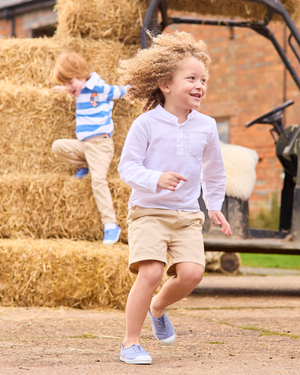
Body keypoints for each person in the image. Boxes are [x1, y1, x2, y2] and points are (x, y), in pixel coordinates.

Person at [117, 31, 232, 365]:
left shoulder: (207, 126)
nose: (200, 85)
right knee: (151, 272)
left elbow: (214, 168)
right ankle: (131, 342)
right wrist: (156, 179)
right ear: (165, 84)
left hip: (186, 214)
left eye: (203, 79)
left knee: (193, 274)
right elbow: (128, 168)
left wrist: (214, 205)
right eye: (191, 78)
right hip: (148, 211)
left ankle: (158, 306)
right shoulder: (146, 124)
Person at [52, 52, 125, 245]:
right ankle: (85, 164)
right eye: (66, 84)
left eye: (70, 83)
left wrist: (140, 86)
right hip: (84, 146)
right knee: (58, 146)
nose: (69, 88)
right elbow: (73, 87)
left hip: (101, 146)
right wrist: (63, 88)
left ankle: (110, 225)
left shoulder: (99, 88)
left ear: (82, 75)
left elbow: (120, 92)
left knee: (98, 181)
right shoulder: (78, 88)